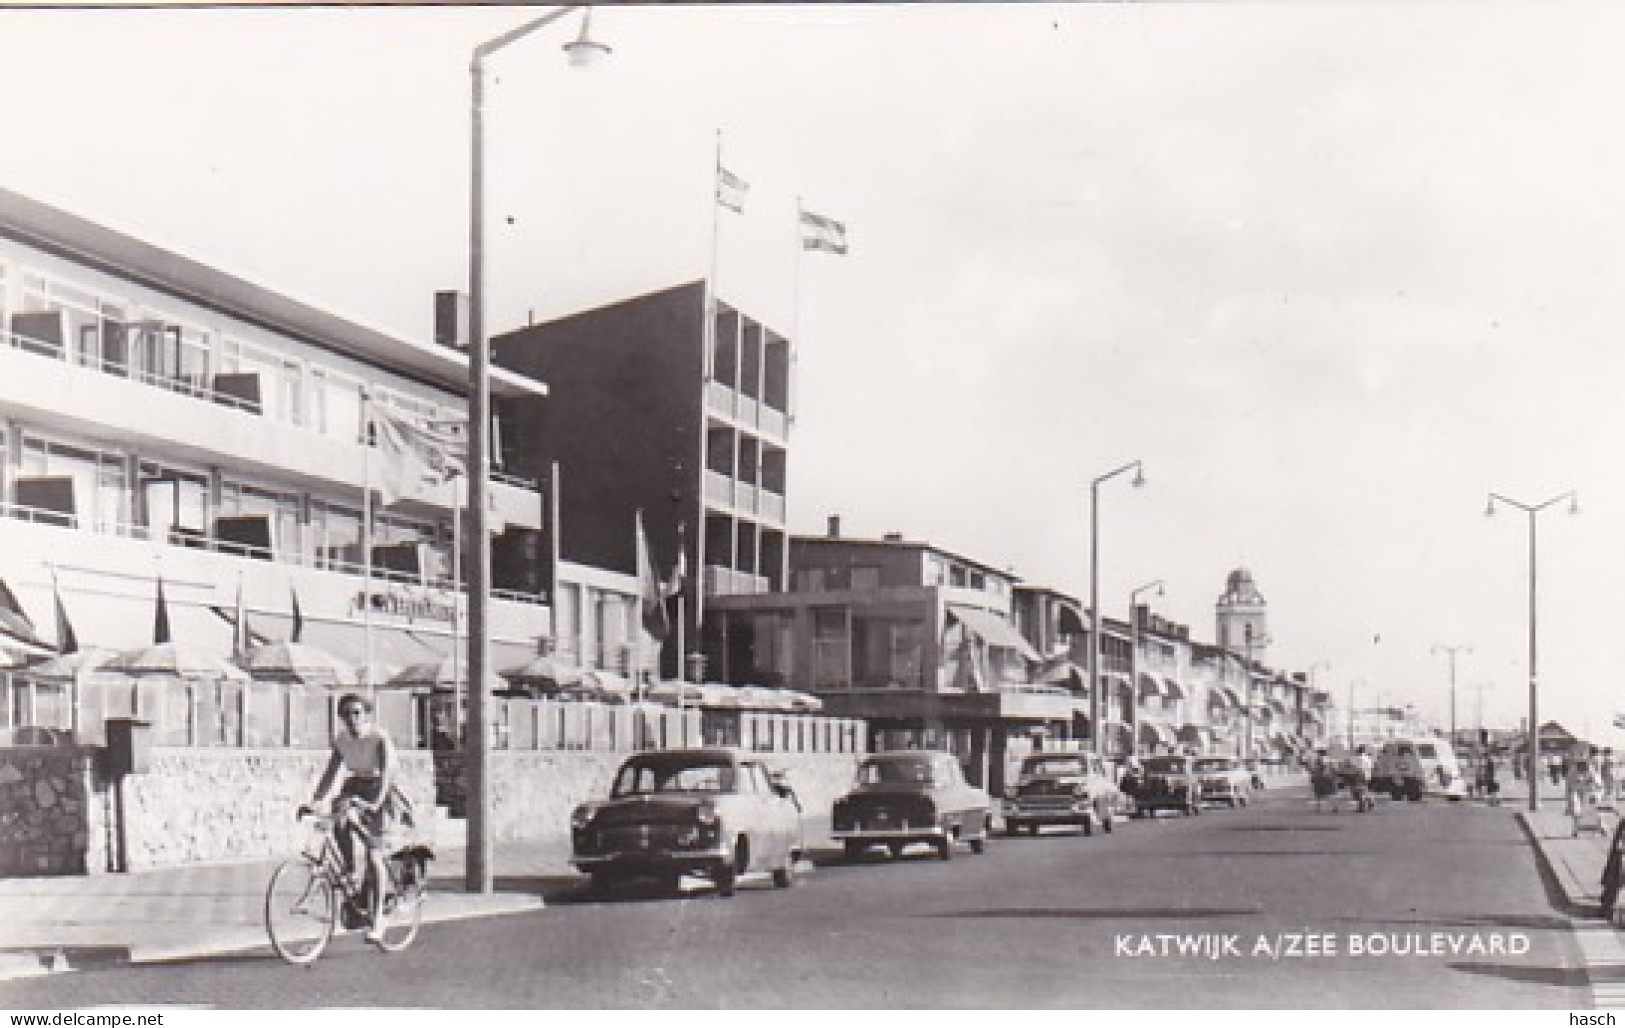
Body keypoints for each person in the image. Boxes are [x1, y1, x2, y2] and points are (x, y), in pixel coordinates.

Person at [302, 692, 398, 945]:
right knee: (338, 817)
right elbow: (330, 773)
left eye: (356, 713)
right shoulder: (342, 740)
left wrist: (376, 802)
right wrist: (314, 800)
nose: (351, 718)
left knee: (373, 855)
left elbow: (387, 774)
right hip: (355, 784)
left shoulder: (379, 738)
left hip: (380, 788)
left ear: (366, 715)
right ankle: (350, 870)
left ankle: (378, 920)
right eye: (346, 714)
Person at [1350, 745, 1375, 812]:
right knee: (1364, 789)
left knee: (1359, 791)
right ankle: (1370, 801)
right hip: (1368, 775)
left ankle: (1362, 807)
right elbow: (1371, 767)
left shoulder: (1357, 758)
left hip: (1359, 775)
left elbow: (1355, 768)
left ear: (1358, 751)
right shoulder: (1368, 758)